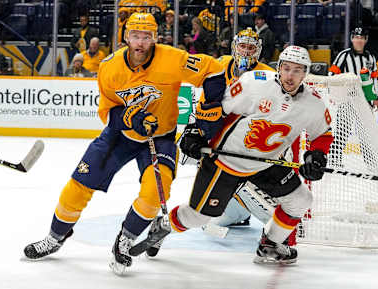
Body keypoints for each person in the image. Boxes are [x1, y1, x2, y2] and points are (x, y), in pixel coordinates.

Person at [23, 12, 226, 275]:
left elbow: (214, 70)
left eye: (146, 36)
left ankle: (126, 238)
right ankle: (55, 237)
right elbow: (108, 111)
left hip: (160, 137)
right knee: (78, 186)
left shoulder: (174, 59)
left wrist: (209, 110)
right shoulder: (109, 66)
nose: (140, 42)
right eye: (135, 36)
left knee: (154, 194)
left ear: (155, 38)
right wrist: (133, 117)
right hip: (119, 137)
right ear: (125, 37)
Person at [143, 45, 333, 265]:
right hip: (226, 160)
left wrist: (316, 157)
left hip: (265, 163)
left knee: (300, 200)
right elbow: (218, 109)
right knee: (200, 216)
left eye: (297, 70)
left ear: (305, 73)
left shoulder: (313, 104)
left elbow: (323, 134)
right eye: (287, 68)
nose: (290, 75)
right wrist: (197, 131)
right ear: (279, 68)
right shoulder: (255, 83)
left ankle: (270, 244)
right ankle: (163, 225)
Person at [202, 28, 275, 230]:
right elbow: (205, 104)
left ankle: (273, 224)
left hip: (251, 141)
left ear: (258, 51)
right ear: (235, 47)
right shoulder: (219, 66)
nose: (246, 52)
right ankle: (236, 213)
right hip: (221, 137)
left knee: (245, 178)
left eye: (251, 48)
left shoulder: (268, 75)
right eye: (242, 46)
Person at [328, 27, 378, 109]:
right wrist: (334, 94)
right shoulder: (344, 55)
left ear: (366, 40)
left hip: (365, 100)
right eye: (356, 37)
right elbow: (331, 75)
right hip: (346, 101)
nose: (359, 41)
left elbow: (375, 79)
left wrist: (376, 97)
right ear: (352, 39)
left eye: (362, 38)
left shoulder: (370, 57)